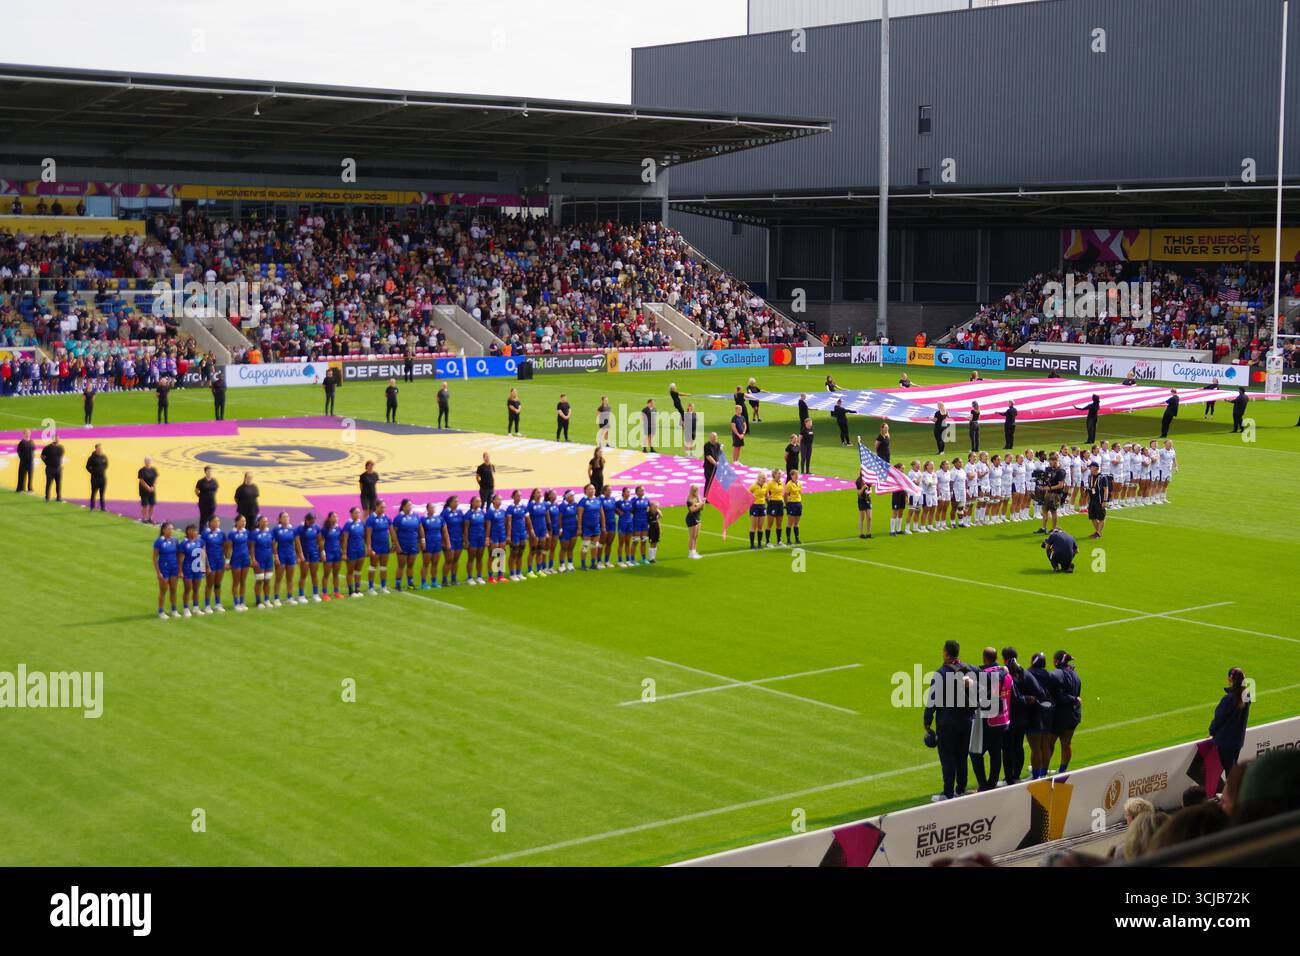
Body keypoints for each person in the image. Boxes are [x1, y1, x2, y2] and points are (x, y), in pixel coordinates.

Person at [923, 640, 978, 801]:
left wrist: (927, 721)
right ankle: (960, 789)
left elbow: (932, 700)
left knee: (948, 758)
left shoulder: (940, 673)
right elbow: (988, 680)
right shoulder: (970, 670)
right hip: (966, 721)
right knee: (961, 757)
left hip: (947, 723)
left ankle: (948, 793)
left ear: (946, 653)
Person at [1209, 666, 1251, 778]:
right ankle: (1232, 793)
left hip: (1225, 741)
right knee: (1232, 768)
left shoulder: (1228, 699)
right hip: (1237, 740)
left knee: (1230, 770)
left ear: (1230, 679)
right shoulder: (1246, 696)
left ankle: (1232, 794)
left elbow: (1219, 718)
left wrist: (1211, 731)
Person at [1049, 651, 1082, 773]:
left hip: (1060, 715)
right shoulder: (1076, 674)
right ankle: (1062, 771)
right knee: (1066, 743)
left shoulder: (1058, 674)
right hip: (1073, 714)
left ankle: (1042, 771)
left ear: (1057, 661)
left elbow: (1059, 696)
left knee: (1049, 743)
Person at [1000, 649, 1028, 786]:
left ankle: (1009, 778)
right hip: (1022, 717)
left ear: (1005, 660)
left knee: (1007, 749)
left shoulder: (1006, 675)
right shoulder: (1023, 672)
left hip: (1009, 718)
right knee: (1018, 746)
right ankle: (1016, 775)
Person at [269, 512, 301, 605]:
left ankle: (289, 597)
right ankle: (276, 598)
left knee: (290, 578)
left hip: (291, 556)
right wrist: (275, 556)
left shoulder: (293, 529)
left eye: (287, 516)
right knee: (278, 578)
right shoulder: (276, 530)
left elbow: (297, 543)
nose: (286, 518)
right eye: (284, 517)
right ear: (279, 519)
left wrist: (299, 555)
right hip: (281, 556)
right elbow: (273, 544)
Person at [392, 499, 423, 591]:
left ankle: (410, 583)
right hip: (402, 545)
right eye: (408, 505)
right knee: (401, 565)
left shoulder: (415, 516)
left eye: (411, 505)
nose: (410, 507)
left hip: (413, 544)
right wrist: (396, 545)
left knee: (411, 565)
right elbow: (394, 532)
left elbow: (420, 529)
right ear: (404, 507)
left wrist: (421, 541)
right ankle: (398, 584)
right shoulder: (399, 518)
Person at [152, 521, 181, 619]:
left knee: (173, 590)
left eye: (172, 529)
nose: (171, 530)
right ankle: (161, 611)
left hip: (174, 567)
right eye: (169, 529)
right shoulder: (159, 541)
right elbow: (155, 558)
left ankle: (174, 610)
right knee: (163, 590)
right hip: (164, 568)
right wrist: (158, 572)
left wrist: (179, 569)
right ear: (164, 530)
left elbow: (178, 555)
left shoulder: (175, 540)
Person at [364, 499, 393, 593]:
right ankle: (371, 588)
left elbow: (391, 531)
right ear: (376, 507)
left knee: (384, 566)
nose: (383, 509)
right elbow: (368, 534)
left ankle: (383, 587)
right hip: (375, 546)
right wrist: (369, 547)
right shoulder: (371, 519)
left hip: (385, 545)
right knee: (373, 566)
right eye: (382, 507)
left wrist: (394, 543)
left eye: (384, 507)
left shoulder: (386, 518)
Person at [200, 516, 228, 614]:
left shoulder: (221, 533)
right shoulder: (205, 534)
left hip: (219, 561)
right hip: (210, 561)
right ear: (210, 523)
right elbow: (202, 550)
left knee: (217, 583)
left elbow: (225, 547)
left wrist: (226, 561)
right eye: (215, 521)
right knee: (209, 584)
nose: (217, 523)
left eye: (218, 521)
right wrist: (204, 565)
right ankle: (207, 605)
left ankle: (217, 604)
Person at [178, 524, 206, 617]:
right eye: (192, 530)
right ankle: (186, 608)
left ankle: (196, 607)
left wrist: (203, 568)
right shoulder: (183, 544)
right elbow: (181, 558)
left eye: (195, 530)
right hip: (187, 568)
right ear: (188, 532)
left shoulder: (200, 541)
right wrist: (180, 571)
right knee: (188, 589)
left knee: (196, 589)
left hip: (197, 568)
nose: (195, 532)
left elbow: (202, 554)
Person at [1035, 452, 1066, 534]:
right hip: (1048, 493)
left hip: (1056, 494)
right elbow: (1047, 480)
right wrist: (1042, 485)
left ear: (1055, 461)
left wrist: (1048, 488)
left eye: (1051, 462)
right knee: (1044, 509)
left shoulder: (1061, 471)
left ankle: (1054, 529)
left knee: (1053, 511)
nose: (1050, 464)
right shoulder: (1049, 469)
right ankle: (1043, 528)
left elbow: (1060, 485)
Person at [340, 506, 368, 597]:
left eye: (359, 512)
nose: (358, 514)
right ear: (351, 514)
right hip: (351, 550)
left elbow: (363, 537)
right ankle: (351, 590)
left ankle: (357, 589)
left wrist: (366, 548)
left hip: (360, 550)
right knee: (350, 571)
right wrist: (344, 553)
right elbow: (345, 540)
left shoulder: (361, 524)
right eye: (356, 513)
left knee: (358, 570)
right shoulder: (348, 525)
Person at [227, 514, 252, 611]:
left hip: (245, 559)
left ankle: (242, 601)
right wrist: (227, 562)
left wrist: (250, 558)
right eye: (242, 521)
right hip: (236, 559)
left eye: (244, 521)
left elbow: (249, 546)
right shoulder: (232, 534)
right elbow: (229, 548)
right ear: (236, 522)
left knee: (243, 581)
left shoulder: (247, 533)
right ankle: (236, 602)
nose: (244, 523)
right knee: (236, 581)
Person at [250, 515, 276, 608]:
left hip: (269, 559)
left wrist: (276, 556)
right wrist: (253, 559)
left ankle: (267, 599)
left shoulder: (270, 532)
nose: (265, 523)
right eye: (263, 521)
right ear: (259, 523)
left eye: (266, 521)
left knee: (267, 580)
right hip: (259, 559)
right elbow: (252, 547)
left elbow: (273, 545)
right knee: (259, 580)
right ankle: (258, 601)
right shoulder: (254, 533)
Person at [505, 490, 530, 581]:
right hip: (514, 533)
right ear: (513, 497)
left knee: (521, 553)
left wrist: (529, 531)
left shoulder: (524, 507)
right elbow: (509, 522)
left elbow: (527, 520)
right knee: (514, 553)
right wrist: (508, 535)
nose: (519, 497)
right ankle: (512, 573)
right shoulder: (510, 508)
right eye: (517, 496)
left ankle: (519, 572)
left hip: (522, 532)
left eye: (520, 496)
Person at [319, 511, 343, 600]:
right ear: (329, 518)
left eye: (337, 516)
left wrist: (341, 550)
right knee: (326, 574)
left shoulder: (338, 528)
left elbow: (341, 539)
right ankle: (324, 593)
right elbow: (321, 541)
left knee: (336, 573)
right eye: (334, 516)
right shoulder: (325, 529)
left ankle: (336, 592)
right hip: (329, 553)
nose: (336, 518)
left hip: (337, 553)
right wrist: (323, 553)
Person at [464, 496, 488, 584]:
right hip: (472, 538)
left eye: (480, 501)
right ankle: (470, 577)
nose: (479, 503)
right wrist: (466, 540)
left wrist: (486, 537)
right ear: (472, 503)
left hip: (481, 537)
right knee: (471, 558)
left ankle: (479, 576)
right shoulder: (468, 514)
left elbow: (485, 525)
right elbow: (466, 528)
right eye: (477, 501)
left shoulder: (482, 512)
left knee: (479, 558)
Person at [442, 496, 465, 585]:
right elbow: (442, 528)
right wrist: (444, 541)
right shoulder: (445, 513)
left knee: (456, 560)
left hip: (458, 539)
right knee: (449, 560)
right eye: (455, 501)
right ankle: (444, 580)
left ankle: (454, 579)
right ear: (450, 503)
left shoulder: (459, 512)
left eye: (458, 501)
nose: (457, 503)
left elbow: (463, 525)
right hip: (450, 540)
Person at [1085, 460, 1108, 538]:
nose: (1090, 469)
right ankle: (1098, 532)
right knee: (1092, 517)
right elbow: (1090, 489)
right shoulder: (1090, 476)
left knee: (1101, 517)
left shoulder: (1102, 477)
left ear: (1096, 468)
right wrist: (1088, 501)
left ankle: (1098, 533)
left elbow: (1106, 489)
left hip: (1100, 500)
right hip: (1092, 500)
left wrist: (1105, 501)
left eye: (1091, 467)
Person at [41, 433, 65, 502]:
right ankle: (47, 497)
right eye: (56, 438)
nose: (58, 439)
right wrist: (47, 463)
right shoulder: (47, 448)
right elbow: (42, 456)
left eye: (58, 438)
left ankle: (58, 497)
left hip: (58, 468)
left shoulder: (61, 448)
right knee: (49, 483)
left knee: (58, 483)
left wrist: (60, 465)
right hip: (50, 468)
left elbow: (60, 457)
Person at [85, 443, 108, 511]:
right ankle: (92, 507)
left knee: (102, 494)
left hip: (102, 478)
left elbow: (106, 464)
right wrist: (93, 472)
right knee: (93, 493)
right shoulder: (91, 458)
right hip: (95, 479)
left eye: (101, 448)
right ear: (96, 449)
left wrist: (102, 470)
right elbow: (87, 467)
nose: (100, 450)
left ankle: (102, 507)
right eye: (99, 448)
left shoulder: (104, 457)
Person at [784, 469, 802, 545]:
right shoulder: (789, 484)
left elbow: (800, 493)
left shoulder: (799, 483)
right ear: (791, 476)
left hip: (798, 503)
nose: (797, 476)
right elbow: (785, 495)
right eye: (795, 475)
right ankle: (788, 540)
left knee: (797, 523)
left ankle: (797, 539)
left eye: (797, 475)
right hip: (792, 504)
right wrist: (787, 504)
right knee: (790, 522)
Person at [137, 457, 158, 523]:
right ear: (145, 462)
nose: (148, 462)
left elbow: (156, 479)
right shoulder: (142, 470)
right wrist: (148, 488)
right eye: (147, 461)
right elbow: (141, 481)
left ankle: (150, 518)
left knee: (152, 504)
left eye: (149, 461)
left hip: (152, 490)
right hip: (144, 490)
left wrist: (153, 486)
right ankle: (144, 518)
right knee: (145, 505)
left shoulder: (153, 470)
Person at [685, 484, 704, 558]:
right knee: (692, 536)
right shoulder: (690, 499)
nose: (698, 492)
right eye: (696, 490)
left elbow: (701, 509)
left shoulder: (698, 497)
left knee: (696, 536)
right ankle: (691, 553)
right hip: (692, 518)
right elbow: (692, 509)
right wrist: (700, 504)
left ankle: (694, 551)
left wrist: (703, 503)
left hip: (698, 517)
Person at [854, 473, 872, 538]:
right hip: (861, 499)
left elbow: (870, 489)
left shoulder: (868, 479)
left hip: (868, 499)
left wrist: (869, 492)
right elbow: (859, 493)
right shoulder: (858, 481)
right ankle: (861, 533)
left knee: (869, 517)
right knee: (862, 517)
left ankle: (868, 533)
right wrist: (863, 488)